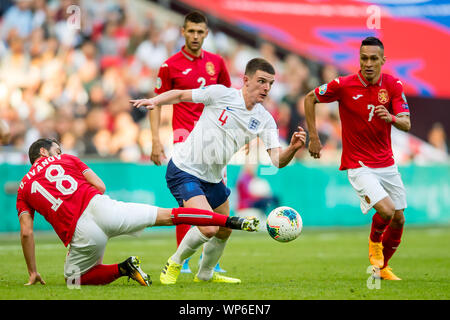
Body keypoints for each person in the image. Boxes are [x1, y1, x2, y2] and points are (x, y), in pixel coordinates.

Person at [131, 57, 307, 284]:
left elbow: (277, 161)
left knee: (224, 229)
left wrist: (292, 148)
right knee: (209, 227)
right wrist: (156, 101)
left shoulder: (265, 119)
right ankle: (174, 263)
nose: (266, 88)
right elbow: (181, 95)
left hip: (213, 178)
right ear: (245, 80)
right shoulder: (220, 94)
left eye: (270, 83)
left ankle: (205, 274)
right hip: (184, 169)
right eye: (261, 81)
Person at [16, 138, 259, 286]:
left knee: (74, 278)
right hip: (103, 208)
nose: (59, 153)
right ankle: (231, 221)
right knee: (169, 215)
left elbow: (27, 233)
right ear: (43, 152)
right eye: (56, 150)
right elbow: (100, 187)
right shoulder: (67, 159)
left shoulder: (23, 188)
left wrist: (33, 271)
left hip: (81, 234)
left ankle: (124, 268)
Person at [304, 37, 411, 280]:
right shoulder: (343, 85)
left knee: (399, 218)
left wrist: (391, 118)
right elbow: (309, 98)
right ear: (359, 59)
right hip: (358, 163)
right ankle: (375, 245)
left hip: (387, 162)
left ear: (383, 60)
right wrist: (313, 137)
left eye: (374, 58)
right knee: (386, 211)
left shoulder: (393, 85)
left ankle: (381, 268)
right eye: (364, 58)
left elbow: (406, 122)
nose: (369, 63)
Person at [150, 11, 231, 273]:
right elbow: (156, 103)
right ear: (183, 32)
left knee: (217, 197)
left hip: (215, 141)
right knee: (188, 200)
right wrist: (155, 141)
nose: (196, 36)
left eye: (200, 32)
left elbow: (229, 100)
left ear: (206, 33)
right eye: (191, 31)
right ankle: (182, 260)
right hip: (184, 139)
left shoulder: (217, 63)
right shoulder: (169, 65)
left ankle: (211, 262)